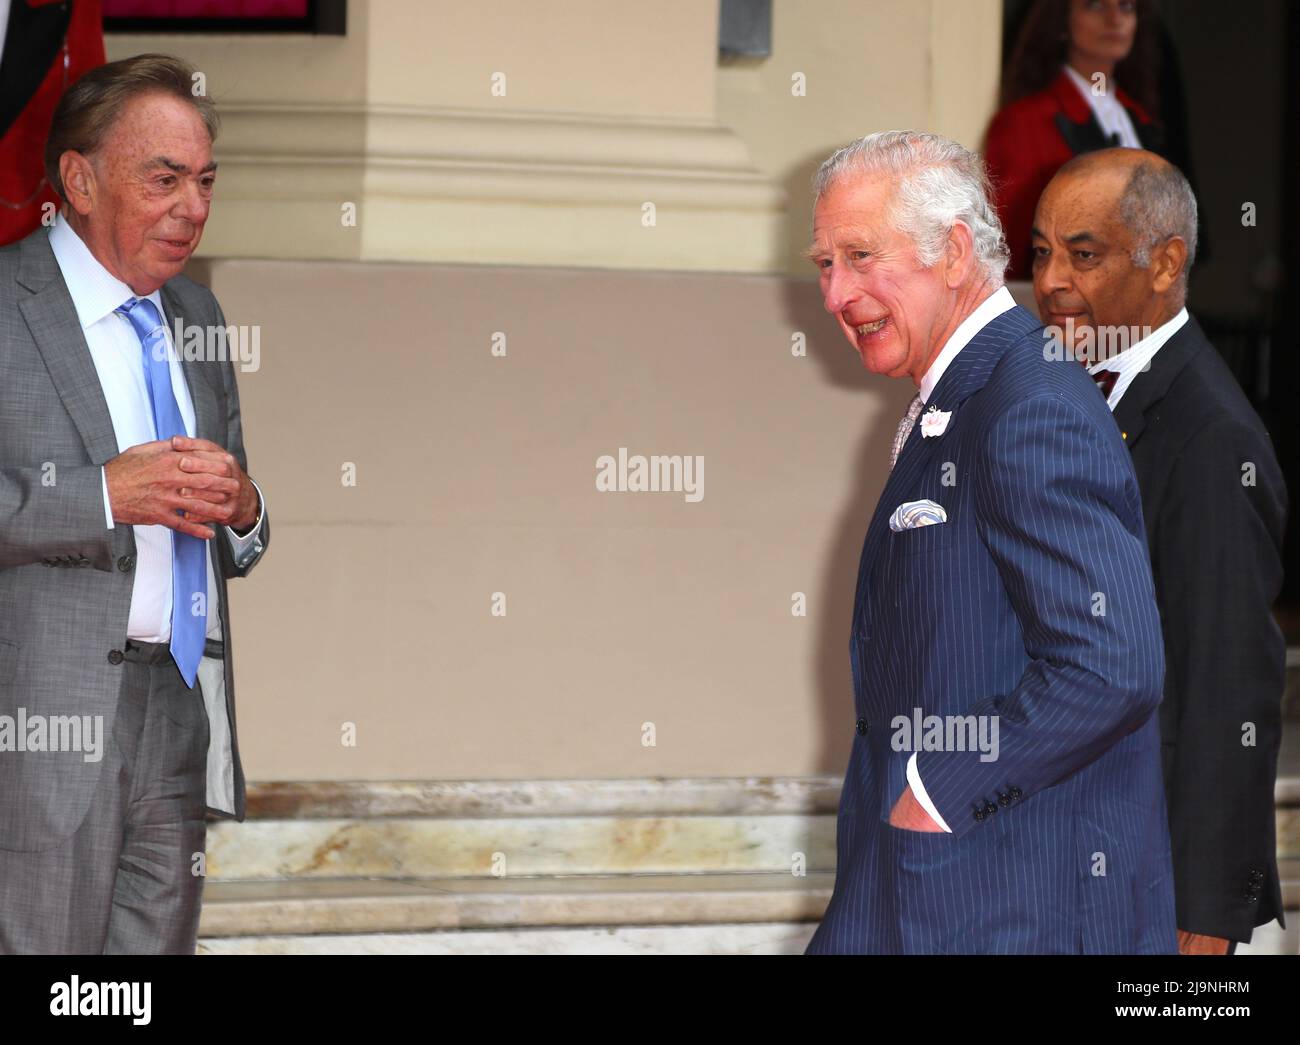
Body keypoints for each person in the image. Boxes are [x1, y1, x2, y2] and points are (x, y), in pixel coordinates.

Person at [802, 130, 1174, 954]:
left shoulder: (1026, 399)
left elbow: (1112, 664)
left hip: (1007, 899)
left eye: (861, 256)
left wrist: (936, 792)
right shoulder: (969, 395)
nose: (836, 293)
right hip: (921, 886)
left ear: (955, 252)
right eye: (826, 263)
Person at [0, 53, 269, 953]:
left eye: (204, 181)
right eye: (164, 178)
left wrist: (243, 507)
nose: (191, 207)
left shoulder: (199, 315)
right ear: (79, 178)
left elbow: (243, 529)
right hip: (41, 721)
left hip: (177, 709)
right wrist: (104, 494)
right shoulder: (4, 306)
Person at [1031, 148, 1287, 955]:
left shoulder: (1210, 435)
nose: (1049, 282)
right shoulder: (1077, 386)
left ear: (1165, 262)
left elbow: (1228, 686)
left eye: (1084, 253)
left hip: (1150, 887)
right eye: (1040, 252)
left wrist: (1204, 910)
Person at [985, 0, 1163, 279]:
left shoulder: (1140, 120)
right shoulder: (1024, 121)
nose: (1115, 19)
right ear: (1062, 20)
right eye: (1095, 5)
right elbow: (1004, 248)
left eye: (1127, 7)